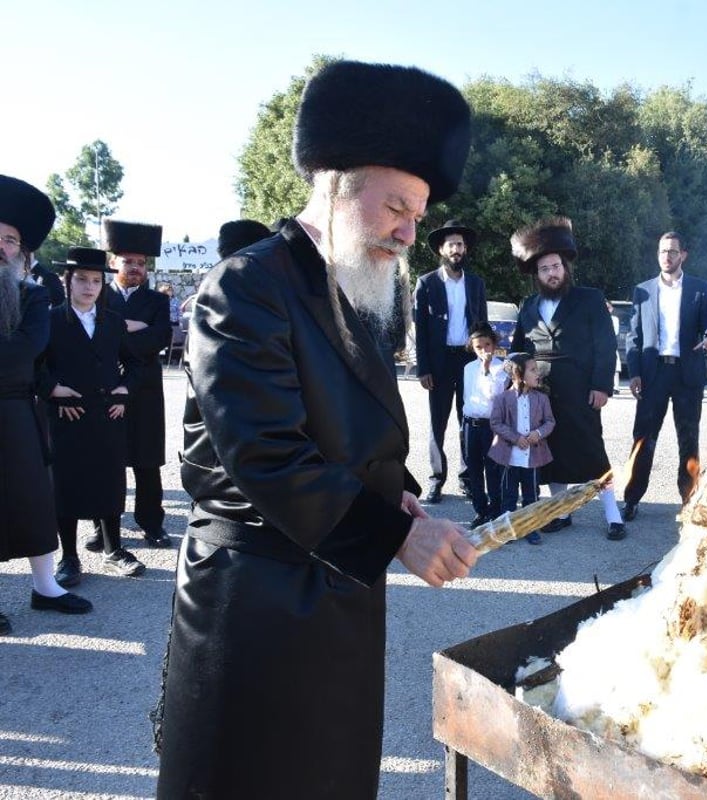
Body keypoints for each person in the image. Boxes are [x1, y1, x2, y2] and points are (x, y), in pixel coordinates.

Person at [155, 60, 477, 799]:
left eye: (419, 214)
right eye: (396, 204)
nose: (409, 230)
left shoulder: (358, 288)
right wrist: (395, 536)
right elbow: (265, 453)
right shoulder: (246, 286)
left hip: (338, 583)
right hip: (256, 603)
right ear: (334, 183)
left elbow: (352, 428)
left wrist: (396, 497)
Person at [0, 176, 93, 635]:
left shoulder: (33, 295)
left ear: (22, 251)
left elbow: (26, 350)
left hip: (16, 412)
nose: (2, 245)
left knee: (33, 499)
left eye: (10, 239)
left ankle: (45, 587)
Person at [510, 216, 625, 539]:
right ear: (538, 274)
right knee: (550, 451)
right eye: (545, 269)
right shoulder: (529, 305)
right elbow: (519, 348)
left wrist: (601, 386)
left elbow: (605, 344)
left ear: (565, 268)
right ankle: (560, 512)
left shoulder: (588, 298)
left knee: (592, 450)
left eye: (556, 266)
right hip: (542, 390)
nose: (552, 273)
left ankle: (613, 514)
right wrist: (516, 382)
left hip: (580, 386)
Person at [41, 247, 144, 583]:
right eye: (82, 279)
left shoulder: (112, 322)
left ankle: (114, 550)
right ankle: (69, 557)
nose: (89, 286)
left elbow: (135, 363)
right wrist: (54, 391)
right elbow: (35, 365)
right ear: (68, 281)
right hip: (66, 416)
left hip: (107, 415)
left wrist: (125, 392)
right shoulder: (50, 319)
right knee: (67, 485)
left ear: (103, 284)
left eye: (96, 280)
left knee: (109, 481)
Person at [620, 232, 707, 523]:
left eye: (673, 252)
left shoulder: (700, 289)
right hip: (653, 374)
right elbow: (634, 336)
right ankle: (631, 499)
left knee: (689, 440)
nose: (667, 256)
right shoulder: (643, 291)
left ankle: (689, 501)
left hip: (687, 374)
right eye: (663, 251)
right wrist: (635, 372)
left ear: (683, 255)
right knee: (643, 439)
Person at [95, 219, 172, 549]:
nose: (136, 268)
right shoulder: (98, 295)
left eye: (141, 262)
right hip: (106, 387)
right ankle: (103, 528)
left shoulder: (157, 301)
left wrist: (116, 332)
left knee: (146, 462)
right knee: (105, 460)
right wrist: (133, 328)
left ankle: (152, 523)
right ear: (113, 263)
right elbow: (95, 342)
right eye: (128, 261)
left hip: (146, 391)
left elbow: (159, 340)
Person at [414, 219, 488, 503]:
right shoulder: (427, 283)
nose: (456, 249)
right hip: (440, 362)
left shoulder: (476, 284)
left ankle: (467, 479)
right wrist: (423, 368)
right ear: (441, 250)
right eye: (451, 245)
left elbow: (482, 325)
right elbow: (420, 330)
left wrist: (483, 359)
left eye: (460, 244)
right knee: (438, 423)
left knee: (468, 421)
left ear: (465, 249)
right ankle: (436, 479)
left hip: (469, 361)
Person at [489, 352, 556, 544]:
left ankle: (530, 528)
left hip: (532, 457)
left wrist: (539, 433)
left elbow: (550, 421)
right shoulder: (502, 398)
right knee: (508, 495)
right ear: (518, 374)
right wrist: (515, 437)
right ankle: (505, 529)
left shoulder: (541, 399)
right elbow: (496, 423)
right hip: (509, 457)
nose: (538, 374)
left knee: (531, 495)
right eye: (533, 370)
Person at [461, 321, 507, 527]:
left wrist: (487, 370)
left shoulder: (501, 368)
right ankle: (480, 509)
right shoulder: (469, 368)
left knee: (493, 469)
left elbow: (495, 396)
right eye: (479, 347)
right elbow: (467, 396)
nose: (483, 350)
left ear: (494, 344)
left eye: (487, 345)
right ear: (472, 347)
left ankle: (495, 510)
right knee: (474, 468)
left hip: (491, 425)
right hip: (471, 424)